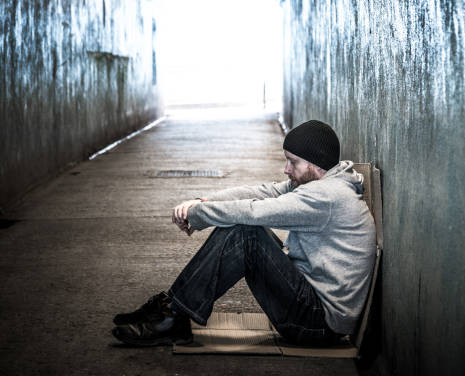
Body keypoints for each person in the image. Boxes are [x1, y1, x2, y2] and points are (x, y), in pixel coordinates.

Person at [111, 120, 376, 347]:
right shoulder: (326, 182)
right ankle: (172, 310)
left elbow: (255, 211)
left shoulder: (326, 197)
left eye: (292, 162)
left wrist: (198, 216)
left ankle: (172, 315)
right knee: (243, 227)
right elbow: (264, 191)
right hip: (312, 305)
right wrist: (202, 201)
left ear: (316, 164)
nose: (286, 169)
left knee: (246, 232)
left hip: (318, 324)